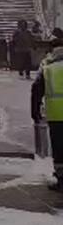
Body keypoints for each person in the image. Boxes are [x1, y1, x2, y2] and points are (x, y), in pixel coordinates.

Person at [31, 37, 63, 191]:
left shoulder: (47, 66)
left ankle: (61, 179)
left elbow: (36, 90)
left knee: (59, 149)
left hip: (56, 115)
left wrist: (35, 111)